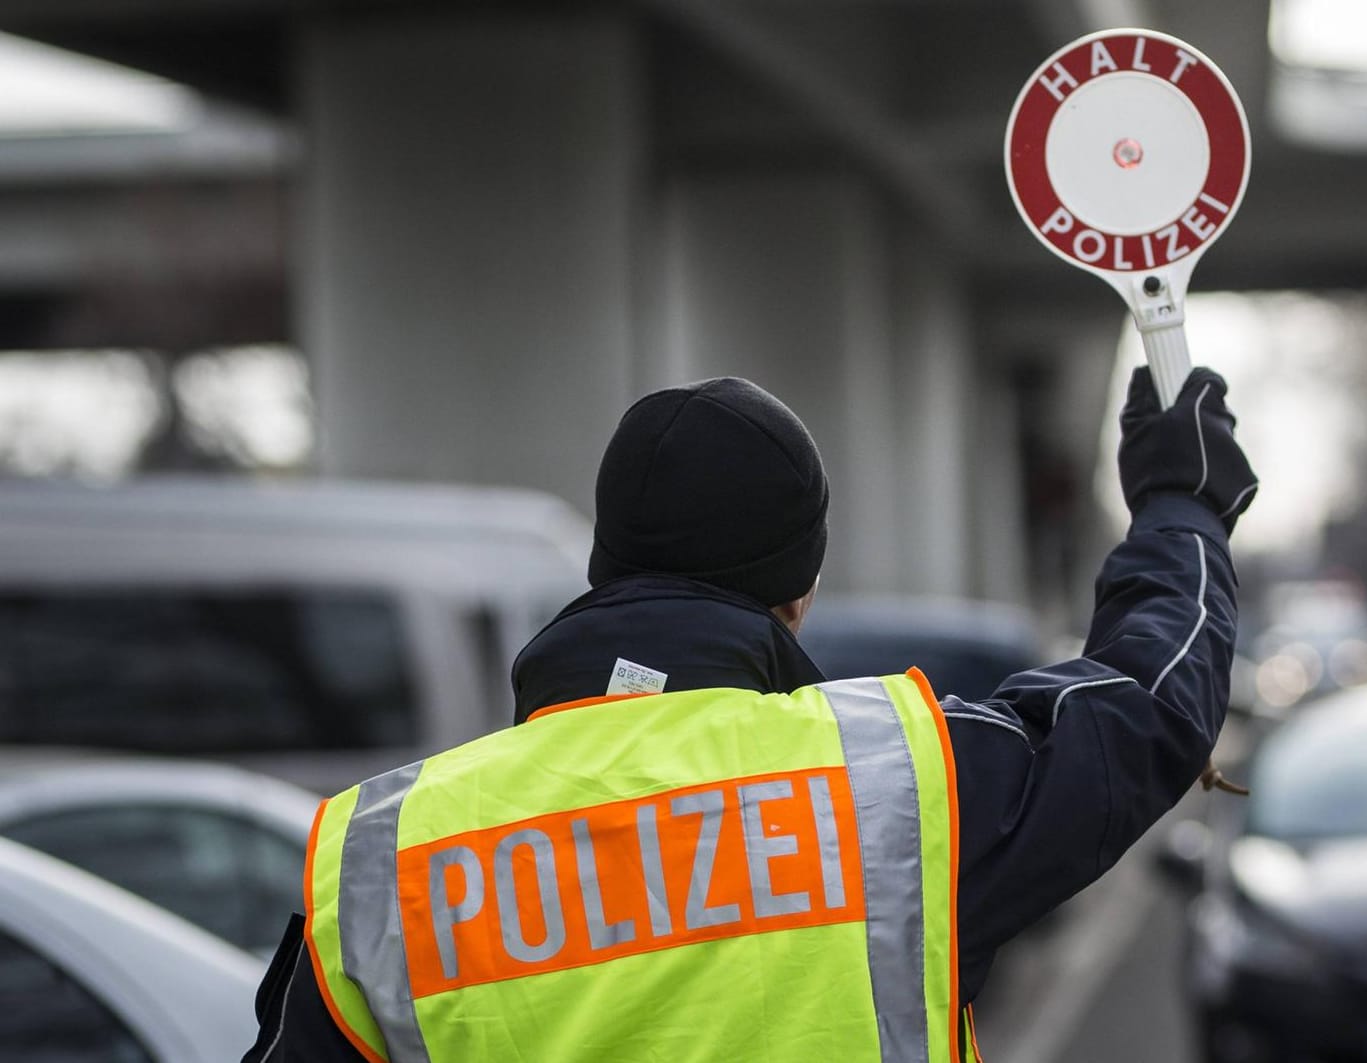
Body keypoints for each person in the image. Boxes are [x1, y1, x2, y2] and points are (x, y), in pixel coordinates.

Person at [245, 366, 1256, 1061]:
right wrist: (1180, 505)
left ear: (607, 565)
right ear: (799, 590)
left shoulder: (388, 854)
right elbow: (1148, 699)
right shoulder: (893, 790)